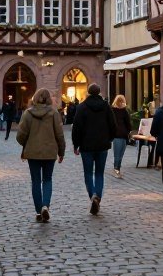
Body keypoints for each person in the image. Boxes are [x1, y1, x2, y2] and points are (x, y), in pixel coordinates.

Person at [16, 88, 66, 222]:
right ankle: (45, 206)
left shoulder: (28, 113)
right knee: (48, 180)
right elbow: (59, 135)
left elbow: (20, 135)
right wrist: (61, 151)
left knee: (36, 181)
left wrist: (26, 144)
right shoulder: (54, 113)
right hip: (50, 152)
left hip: (32, 153)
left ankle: (39, 211)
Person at [71, 84, 116, 215]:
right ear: (99, 92)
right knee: (99, 173)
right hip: (102, 145)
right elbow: (113, 125)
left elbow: (76, 128)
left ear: (88, 92)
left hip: (86, 146)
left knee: (88, 173)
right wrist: (110, 138)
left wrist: (76, 144)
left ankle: (92, 196)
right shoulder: (106, 106)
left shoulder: (82, 107)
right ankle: (98, 197)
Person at [110, 95, 133, 178]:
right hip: (117, 135)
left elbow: (128, 124)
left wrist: (128, 131)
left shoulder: (124, 111)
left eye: (122, 101)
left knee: (121, 154)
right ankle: (116, 169)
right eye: (119, 101)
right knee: (118, 154)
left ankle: (117, 169)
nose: (121, 103)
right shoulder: (113, 110)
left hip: (123, 135)